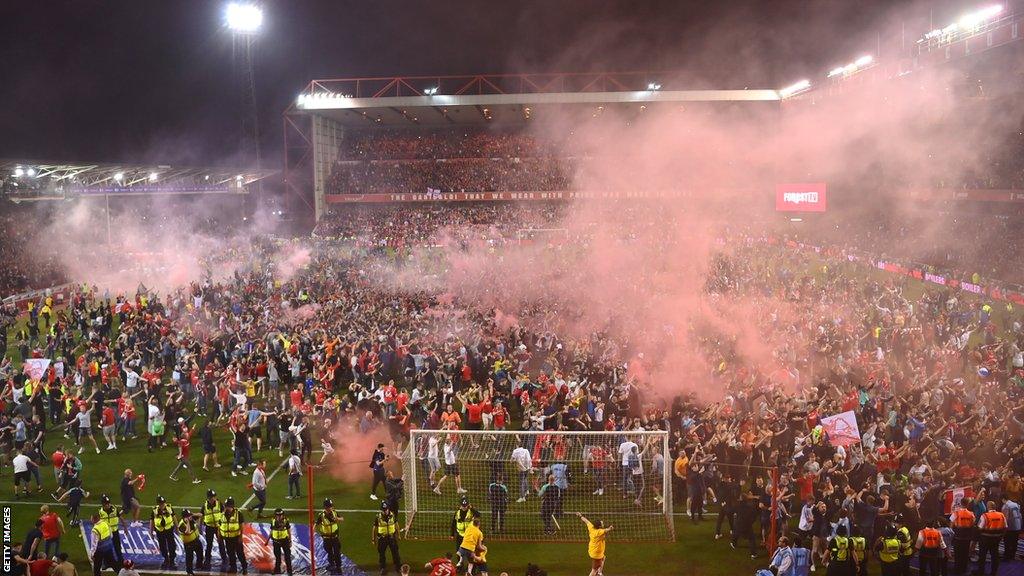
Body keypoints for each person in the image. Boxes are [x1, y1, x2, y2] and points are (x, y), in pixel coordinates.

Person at [218, 497, 248, 575]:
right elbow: (219, 526)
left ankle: (244, 567)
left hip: (236, 538)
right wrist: (219, 537)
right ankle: (233, 568)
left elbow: (241, 526)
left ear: (231, 506)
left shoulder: (238, 514)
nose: (226, 507)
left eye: (227, 506)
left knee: (240, 553)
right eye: (226, 506)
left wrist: (240, 537)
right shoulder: (222, 515)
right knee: (230, 554)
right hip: (227, 538)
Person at [976, 500, 1006, 575]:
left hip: (985, 539)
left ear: (987, 507)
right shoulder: (1001, 515)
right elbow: (1005, 527)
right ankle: (994, 572)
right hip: (996, 539)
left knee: (982, 556)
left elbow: (980, 528)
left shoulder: (985, 516)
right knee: (995, 556)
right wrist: (1001, 536)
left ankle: (981, 572)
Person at [374, 501, 402, 576]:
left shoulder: (392, 515)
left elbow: (396, 525)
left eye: (386, 509)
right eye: (384, 510)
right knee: (382, 554)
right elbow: (374, 528)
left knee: (395, 553)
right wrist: (373, 539)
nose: (385, 511)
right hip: (382, 538)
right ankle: (383, 568)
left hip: (391, 537)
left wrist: (398, 535)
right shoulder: (378, 517)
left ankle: (398, 567)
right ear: (381, 510)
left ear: (388, 509)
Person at [201, 489, 226, 570]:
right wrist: (200, 526)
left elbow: (224, 511)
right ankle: (207, 559)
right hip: (209, 527)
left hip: (218, 527)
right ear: (208, 498)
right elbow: (202, 515)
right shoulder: (204, 506)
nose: (214, 498)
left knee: (221, 542)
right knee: (209, 544)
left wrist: (222, 520)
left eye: (214, 497)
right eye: (212, 497)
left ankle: (224, 558)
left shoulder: (219, 503)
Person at [149, 495, 176, 570]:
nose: (162, 505)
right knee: (162, 545)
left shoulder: (169, 508)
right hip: (160, 531)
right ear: (158, 504)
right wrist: (151, 532)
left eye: (163, 503)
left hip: (169, 529)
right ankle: (166, 559)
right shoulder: (154, 511)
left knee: (172, 545)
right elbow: (151, 521)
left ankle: (172, 560)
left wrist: (177, 528)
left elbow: (174, 517)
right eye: (161, 503)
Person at [316, 498, 343, 573]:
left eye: (331, 506)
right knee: (329, 552)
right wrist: (312, 529)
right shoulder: (321, 515)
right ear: (325, 507)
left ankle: (338, 566)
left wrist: (337, 518)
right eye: (330, 506)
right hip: (326, 538)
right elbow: (316, 523)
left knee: (337, 552)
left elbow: (342, 519)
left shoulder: (334, 513)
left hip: (335, 537)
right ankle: (331, 564)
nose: (331, 508)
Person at [450, 496, 480, 563]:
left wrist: (472, 508)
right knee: (459, 552)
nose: (464, 507)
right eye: (463, 506)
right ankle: (460, 567)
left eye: (465, 506)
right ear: (460, 505)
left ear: (468, 505)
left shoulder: (471, 512)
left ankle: (472, 569)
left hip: (469, 536)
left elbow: (478, 515)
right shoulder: (457, 513)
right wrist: (452, 534)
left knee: (471, 552)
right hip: (460, 535)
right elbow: (454, 523)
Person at [950, 500, 976, 575]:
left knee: (957, 554)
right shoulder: (971, 514)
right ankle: (964, 569)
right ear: (967, 504)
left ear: (961, 504)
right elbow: (973, 524)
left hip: (957, 536)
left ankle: (957, 570)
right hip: (967, 537)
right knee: (965, 553)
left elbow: (951, 525)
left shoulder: (956, 513)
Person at [96, 495, 123, 564]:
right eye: (106, 503)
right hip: (106, 533)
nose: (108, 505)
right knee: (106, 548)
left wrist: (125, 527)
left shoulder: (114, 509)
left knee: (117, 546)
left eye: (108, 503)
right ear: (103, 504)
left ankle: (120, 561)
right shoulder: (100, 512)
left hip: (114, 531)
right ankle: (106, 562)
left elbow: (120, 517)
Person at [89, 511, 117, 576]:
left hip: (100, 550)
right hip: (109, 547)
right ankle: (122, 573)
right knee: (113, 563)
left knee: (97, 567)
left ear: (94, 519)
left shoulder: (95, 530)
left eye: (91, 518)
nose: (91, 520)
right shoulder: (105, 523)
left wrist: (92, 554)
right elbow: (111, 534)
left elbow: (94, 544)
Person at [178, 509, 202, 576]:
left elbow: (200, 515)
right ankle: (189, 571)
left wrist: (192, 514)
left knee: (200, 553)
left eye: (189, 515)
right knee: (189, 557)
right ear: (184, 517)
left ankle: (199, 566)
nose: (190, 517)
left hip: (196, 540)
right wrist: (188, 522)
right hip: (188, 543)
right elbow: (187, 532)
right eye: (188, 516)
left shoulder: (191, 518)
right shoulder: (181, 525)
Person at [269, 508, 293, 576]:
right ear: (275, 515)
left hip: (285, 541)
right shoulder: (273, 521)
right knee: (277, 557)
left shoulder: (286, 521)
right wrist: (270, 537)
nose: (279, 516)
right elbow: (272, 530)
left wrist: (290, 541)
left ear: (283, 515)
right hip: (276, 541)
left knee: (287, 556)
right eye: (278, 515)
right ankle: (277, 570)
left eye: (280, 515)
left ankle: (289, 571)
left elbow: (289, 531)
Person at [1001, 494, 1021, 562]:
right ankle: (1012, 556)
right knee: (1015, 542)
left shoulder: (1006, 506)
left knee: (1007, 542)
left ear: (1003, 499)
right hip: (1018, 526)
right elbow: (1019, 515)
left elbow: (1005, 518)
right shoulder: (1016, 504)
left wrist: (1003, 528)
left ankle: (1007, 556)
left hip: (1010, 527)